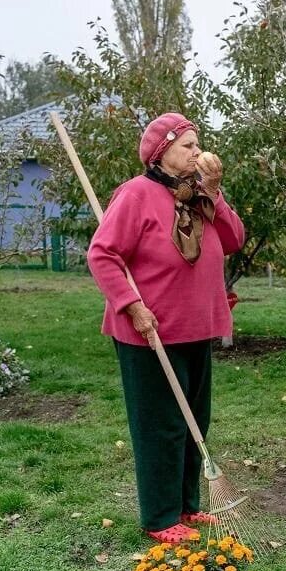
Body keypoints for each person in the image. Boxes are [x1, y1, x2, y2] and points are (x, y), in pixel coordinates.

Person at [88, 112, 246, 544]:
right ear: (162, 154)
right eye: (187, 146)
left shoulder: (198, 195)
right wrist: (131, 306)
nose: (197, 152)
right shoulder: (137, 194)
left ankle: (186, 507)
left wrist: (214, 194)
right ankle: (160, 517)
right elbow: (102, 255)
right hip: (150, 332)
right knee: (161, 424)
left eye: (198, 144)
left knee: (195, 420)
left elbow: (234, 240)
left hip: (197, 327)